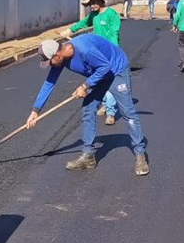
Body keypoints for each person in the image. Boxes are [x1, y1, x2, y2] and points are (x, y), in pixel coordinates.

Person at [26, 35, 149, 176]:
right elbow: (49, 83)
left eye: (50, 62)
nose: (50, 65)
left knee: (128, 113)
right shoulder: (60, 60)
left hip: (116, 70)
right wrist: (36, 110)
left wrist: (85, 85)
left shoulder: (84, 50)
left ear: (57, 54)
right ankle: (88, 156)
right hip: (100, 73)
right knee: (88, 108)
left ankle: (140, 155)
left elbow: (105, 66)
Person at [61, 0, 121, 126]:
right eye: (90, 4)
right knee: (101, 81)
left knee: (110, 81)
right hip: (96, 54)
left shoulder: (111, 14)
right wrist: (70, 30)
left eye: (93, 3)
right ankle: (105, 104)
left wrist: (113, 51)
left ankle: (111, 112)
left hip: (109, 52)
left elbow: (114, 32)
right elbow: (82, 23)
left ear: (100, 2)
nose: (92, 6)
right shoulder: (93, 16)